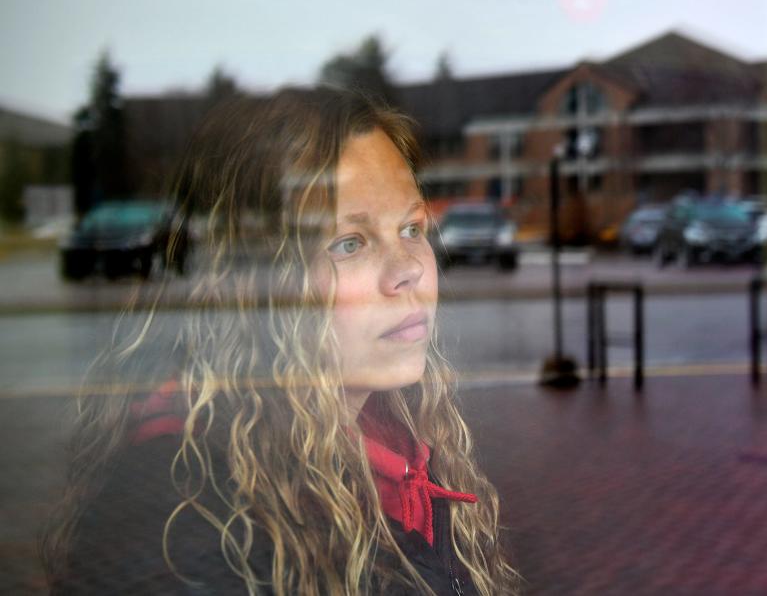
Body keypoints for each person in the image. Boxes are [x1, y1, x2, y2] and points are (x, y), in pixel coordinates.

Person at [42, 88, 521, 595]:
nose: (408, 271)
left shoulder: (400, 449)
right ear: (255, 284)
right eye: (349, 243)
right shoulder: (183, 516)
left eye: (411, 228)